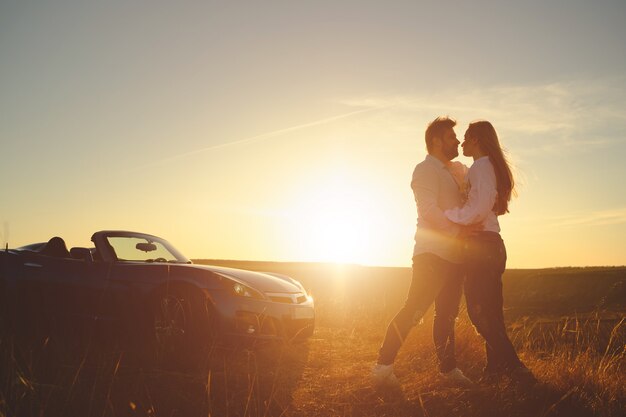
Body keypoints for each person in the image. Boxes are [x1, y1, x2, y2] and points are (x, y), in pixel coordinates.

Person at [372, 116, 473, 387]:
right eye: (452, 137)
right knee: (414, 310)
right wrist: (458, 232)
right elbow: (428, 211)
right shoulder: (425, 169)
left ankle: (448, 369)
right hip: (431, 254)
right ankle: (383, 367)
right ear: (436, 141)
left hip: (454, 256)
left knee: (447, 315)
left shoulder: (451, 170)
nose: (458, 141)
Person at [444, 120, 536, 384]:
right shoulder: (485, 167)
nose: (461, 143)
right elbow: (483, 204)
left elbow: (480, 206)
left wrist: (450, 216)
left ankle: (517, 369)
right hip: (491, 245)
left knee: (478, 312)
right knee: (492, 313)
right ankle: (494, 371)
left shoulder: (482, 166)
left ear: (477, 140)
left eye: (465, 138)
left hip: (482, 246)